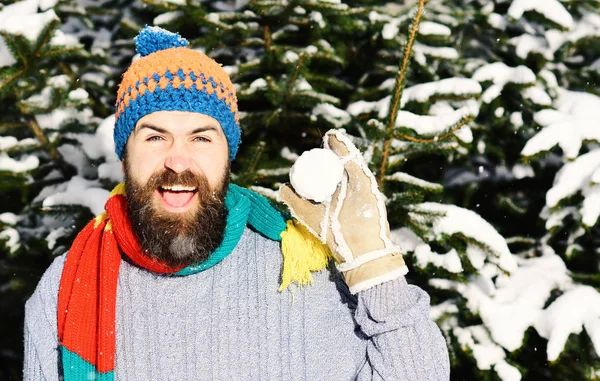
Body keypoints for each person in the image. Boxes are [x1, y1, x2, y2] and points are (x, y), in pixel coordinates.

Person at [23, 26, 450, 381]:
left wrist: (376, 271)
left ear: (229, 154)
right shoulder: (66, 287)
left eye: (201, 138)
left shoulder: (306, 269)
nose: (177, 159)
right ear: (125, 153)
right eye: (155, 137)